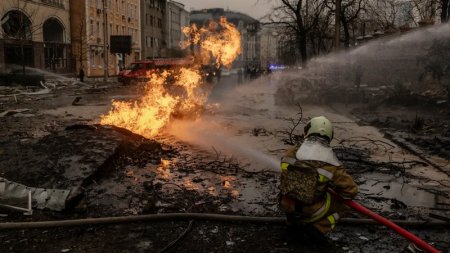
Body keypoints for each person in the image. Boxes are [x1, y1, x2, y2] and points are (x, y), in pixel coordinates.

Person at [279, 116, 358, 241]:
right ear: (329, 136)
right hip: (311, 211)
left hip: (287, 205)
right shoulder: (332, 163)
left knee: (290, 190)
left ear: (307, 131)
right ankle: (318, 228)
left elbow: (286, 176)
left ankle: (291, 225)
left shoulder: (290, 152)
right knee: (346, 206)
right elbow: (351, 191)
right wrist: (327, 185)